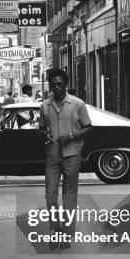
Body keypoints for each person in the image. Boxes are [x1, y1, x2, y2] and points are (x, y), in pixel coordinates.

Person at [39, 68, 91, 249]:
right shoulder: (45, 106)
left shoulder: (78, 104)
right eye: (53, 84)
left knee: (69, 197)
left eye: (60, 84)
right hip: (52, 156)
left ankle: (67, 235)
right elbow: (41, 127)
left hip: (72, 154)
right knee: (50, 197)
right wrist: (44, 136)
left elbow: (88, 127)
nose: (56, 87)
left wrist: (71, 136)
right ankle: (55, 230)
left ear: (65, 85)